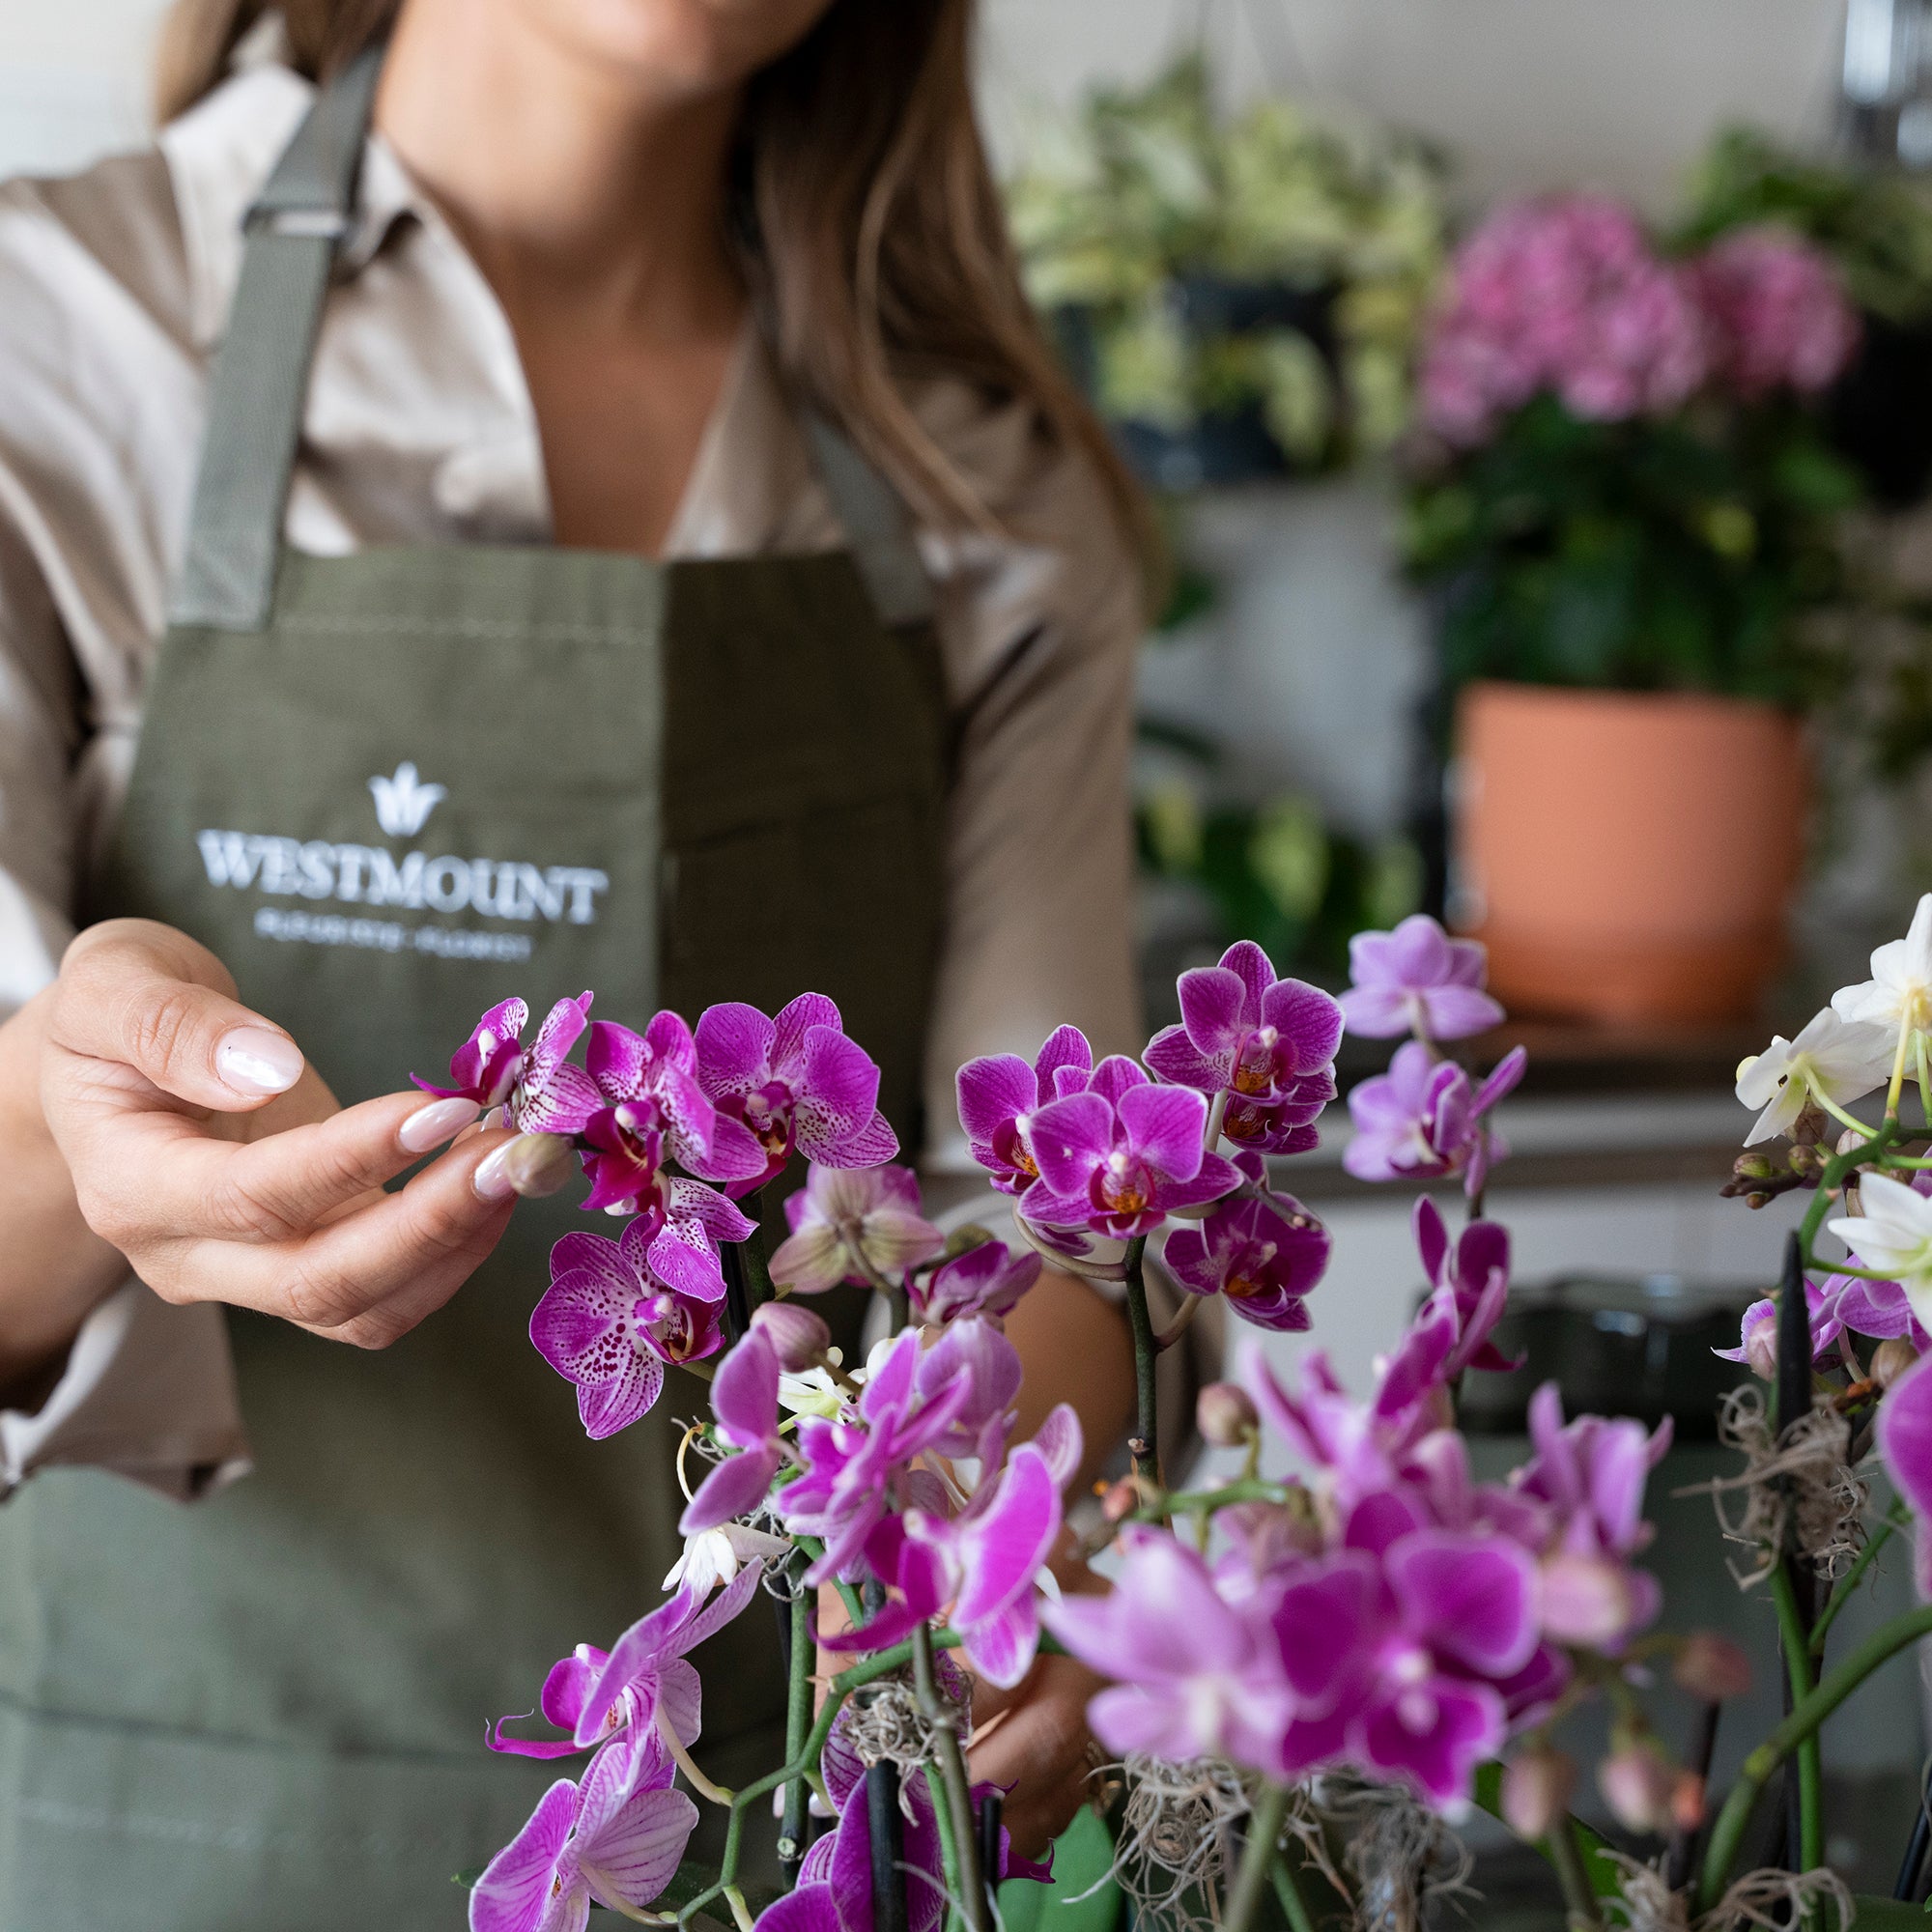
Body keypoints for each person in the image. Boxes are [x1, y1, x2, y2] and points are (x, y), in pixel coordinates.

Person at [0, 1, 1187, 1924]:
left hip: (783, 1829)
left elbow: (1049, 1221)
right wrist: (85, 1094)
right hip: (173, 1827)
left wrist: (1002, 1559)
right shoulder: (55, 328)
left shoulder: (978, 484)